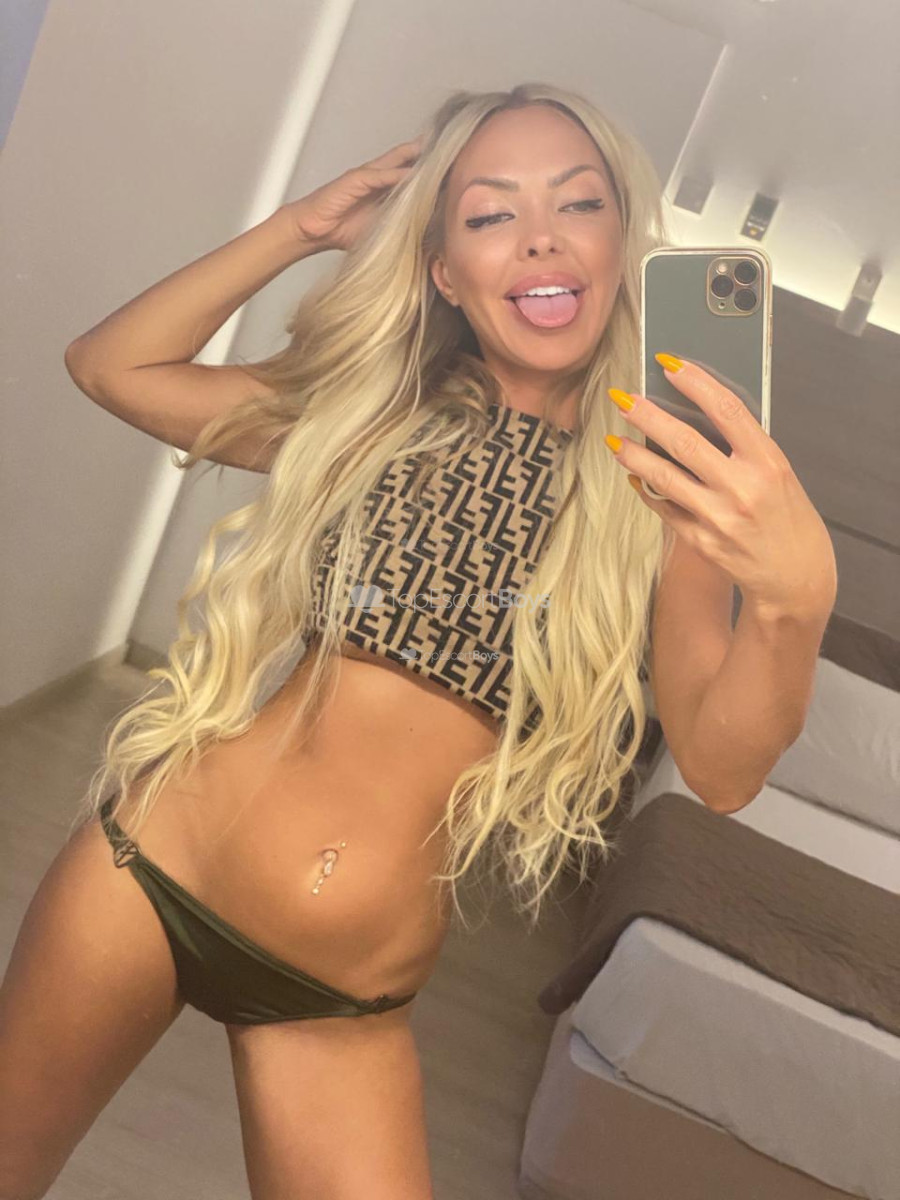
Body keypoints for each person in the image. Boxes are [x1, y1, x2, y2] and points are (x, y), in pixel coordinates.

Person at [0, 82, 837, 1199]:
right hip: (145, 874)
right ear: (445, 271)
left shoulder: (659, 495)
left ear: (620, 244)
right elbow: (112, 367)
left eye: (577, 203)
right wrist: (298, 228)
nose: (538, 235)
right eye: (490, 213)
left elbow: (723, 771)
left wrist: (793, 605)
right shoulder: (377, 411)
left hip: (338, 995)